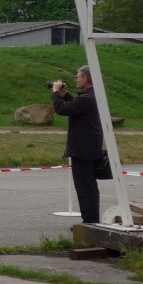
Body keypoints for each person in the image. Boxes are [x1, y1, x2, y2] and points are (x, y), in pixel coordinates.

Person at [52, 66, 104, 224]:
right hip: (89, 147)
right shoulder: (91, 96)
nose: (76, 79)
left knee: (85, 188)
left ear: (86, 79)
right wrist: (65, 94)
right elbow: (76, 105)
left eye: (78, 77)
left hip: (83, 149)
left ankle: (90, 222)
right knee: (88, 186)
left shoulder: (87, 98)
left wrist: (55, 93)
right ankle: (90, 220)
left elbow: (61, 109)